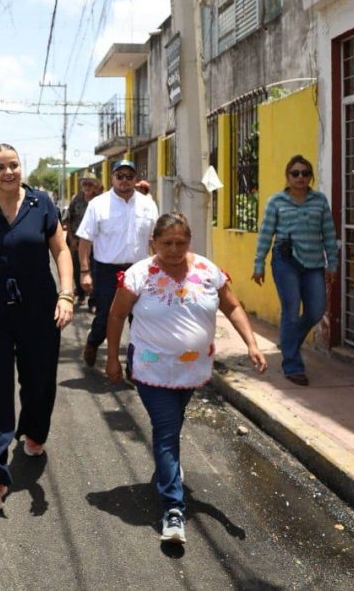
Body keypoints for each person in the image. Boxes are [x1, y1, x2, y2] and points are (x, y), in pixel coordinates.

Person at [106, 212, 268, 544]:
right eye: (167, 243)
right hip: (151, 370)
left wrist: (251, 343)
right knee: (166, 431)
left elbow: (232, 307)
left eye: (181, 243)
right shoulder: (139, 275)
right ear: (154, 242)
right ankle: (173, 510)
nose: (174, 249)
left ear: (189, 241)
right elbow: (117, 313)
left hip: (190, 370)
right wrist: (111, 358)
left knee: (174, 424)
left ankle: (168, 472)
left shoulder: (208, 272)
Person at [0, 143, 75, 511]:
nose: (8, 172)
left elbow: (61, 250)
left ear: (21, 168)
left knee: (39, 379)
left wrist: (67, 294)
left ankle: (35, 431)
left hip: (39, 306)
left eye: (13, 165)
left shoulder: (42, 204)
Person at [252, 155, 338, 387]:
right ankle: (292, 365)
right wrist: (258, 264)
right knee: (291, 310)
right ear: (287, 177)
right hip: (285, 261)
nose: (300, 177)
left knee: (316, 310)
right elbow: (265, 234)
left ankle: (288, 341)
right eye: (295, 173)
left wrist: (332, 263)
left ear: (310, 176)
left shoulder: (319, 201)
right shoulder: (276, 201)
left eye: (305, 173)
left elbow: (329, 234)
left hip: (314, 263)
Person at [75, 158, 159, 368]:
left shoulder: (148, 204)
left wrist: (161, 270)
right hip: (106, 271)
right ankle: (93, 342)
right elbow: (85, 241)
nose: (124, 180)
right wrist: (85, 271)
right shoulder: (98, 204)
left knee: (139, 319)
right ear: (112, 178)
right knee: (105, 316)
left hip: (139, 271)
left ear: (135, 179)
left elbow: (155, 240)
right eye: (119, 176)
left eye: (129, 176)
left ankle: (134, 366)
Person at [63, 172, 98, 305]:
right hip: (77, 242)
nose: (87, 186)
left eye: (90, 183)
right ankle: (81, 294)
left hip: (96, 243)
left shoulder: (100, 200)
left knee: (95, 271)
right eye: (84, 183)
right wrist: (71, 240)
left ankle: (93, 301)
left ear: (95, 186)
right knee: (78, 269)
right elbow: (67, 220)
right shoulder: (75, 200)